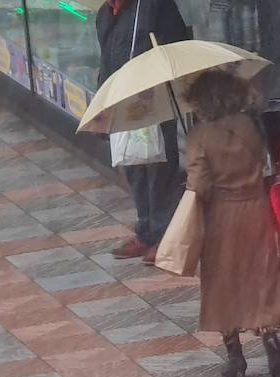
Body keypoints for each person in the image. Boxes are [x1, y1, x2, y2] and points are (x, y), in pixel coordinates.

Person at [184, 69, 280, 377]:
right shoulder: (250, 126)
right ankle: (269, 336)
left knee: (222, 282)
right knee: (261, 274)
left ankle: (235, 356)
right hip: (257, 208)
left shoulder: (199, 137)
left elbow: (199, 184)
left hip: (221, 215)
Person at [96, 0, 190, 260]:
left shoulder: (153, 5)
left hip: (153, 98)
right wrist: (103, 103)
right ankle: (145, 231)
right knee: (134, 165)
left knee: (160, 168)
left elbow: (176, 43)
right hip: (122, 99)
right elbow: (106, 60)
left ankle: (164, 236)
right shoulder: (106, 13)